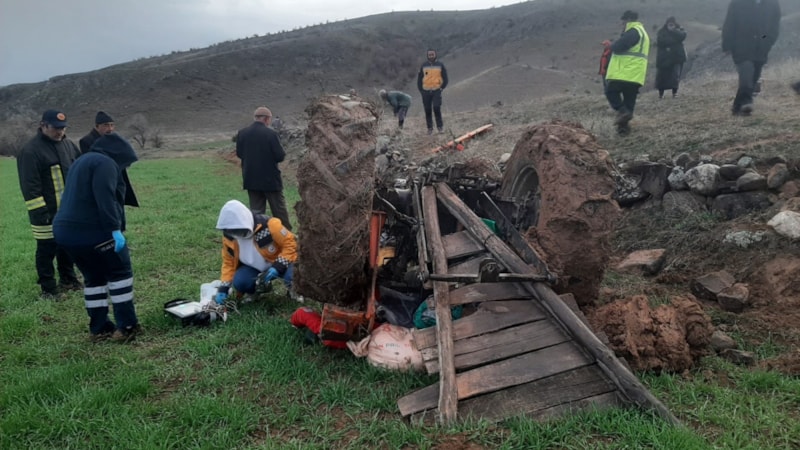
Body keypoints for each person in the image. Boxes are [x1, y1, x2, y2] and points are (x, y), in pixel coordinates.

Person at [53, 133, 141, 342]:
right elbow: (106, 197)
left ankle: (99, 328)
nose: (124, 168)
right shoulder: (106, 163)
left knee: (94, 278)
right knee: (120, 273)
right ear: (119, 155)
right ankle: (127, 326)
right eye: (125, 163)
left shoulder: (81, 161)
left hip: (65, 232)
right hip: (93, 230)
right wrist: (115, 228)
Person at [17, 109, 83, 300]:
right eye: (55, 128)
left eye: (63, 128)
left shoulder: (69, 145)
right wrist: (41, 211)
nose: (60, 132)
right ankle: (48, 289)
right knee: (46, 250)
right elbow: (29, 186)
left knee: (67, 246)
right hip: (45, 213)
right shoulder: (30, 151)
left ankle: (68, 280)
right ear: (43, 125)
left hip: (68, 211)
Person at [214, 199, 300, 304]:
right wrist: (223, 288)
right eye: (232, 231)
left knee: (293, 275)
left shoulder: (270, 225)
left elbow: (291, 244)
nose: (237, 235)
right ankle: (254, 291)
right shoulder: (229, 237)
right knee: (241, 282)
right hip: (254, 268)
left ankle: (294, 290)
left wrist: (278, 266)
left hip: (280, 262)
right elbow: (229, 262)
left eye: (238, 231)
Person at [235, 106, 292, 230]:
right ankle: (287, 237)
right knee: (279, 211)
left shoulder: (242, 133)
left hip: (251, 178)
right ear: (266, 119)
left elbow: (239, 154)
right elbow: (280, 156)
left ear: (255, 118)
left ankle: (258, 240)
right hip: (270, 179)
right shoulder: (271, 134)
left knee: (256, 214)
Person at [722, 0, 781, 116]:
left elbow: (775, 24)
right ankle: (746, 105)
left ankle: (737, 107)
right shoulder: (737, 3)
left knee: (754, 78)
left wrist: (769, 41)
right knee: (746, 78)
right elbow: (729, 23)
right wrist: (727, 45)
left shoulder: (773, 3)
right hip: (741, 47)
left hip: (761, 48)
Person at [604, 10, 651, 136]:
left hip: (625, 71)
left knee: (611, 91)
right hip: (635, 74)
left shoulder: (633, 31)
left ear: (628, 19)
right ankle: (623, 131)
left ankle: (622, 111)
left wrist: (611, 45)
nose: (622, 24)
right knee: (629, 100)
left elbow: (620, 46)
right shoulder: (642, 32)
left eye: (623, 21)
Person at [80, 111, 139, 207]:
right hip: (100, 182)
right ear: (97, 126)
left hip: (117, 179)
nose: (110, 129)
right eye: (106, 125)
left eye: (112, 125)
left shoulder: (115, 139)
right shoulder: (87, 141)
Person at [417, 48, 448, 135]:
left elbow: (445, 78)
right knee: (427, 110)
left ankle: (440, 127)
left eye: (432, 54)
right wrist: (421, 90)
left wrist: (442, 87)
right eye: (429, 54)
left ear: (435, 54)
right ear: (427, 55)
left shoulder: (440, 65)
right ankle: (430, 128)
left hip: (436, 90)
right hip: (426, 92)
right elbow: (419, 79)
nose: (431, 56)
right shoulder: (423, 65)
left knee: (436, 108)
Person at [655, 17, 687, 99]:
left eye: (672, 24)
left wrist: (673, 31)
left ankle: (674, 93)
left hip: (677, 57)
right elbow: (661, 41)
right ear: (666, 24)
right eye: (669, 24)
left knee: (675, 76)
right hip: (664, 58)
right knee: (662, 77)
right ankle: (660, 94)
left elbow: (683, 36)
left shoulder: (679, 30)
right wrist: (675, 41)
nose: (671, 25)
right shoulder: (662, 32)